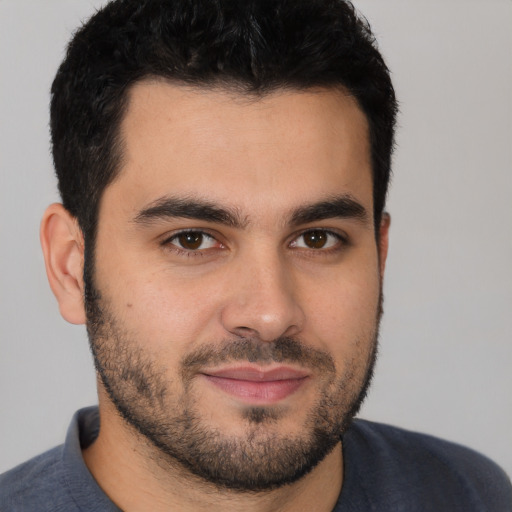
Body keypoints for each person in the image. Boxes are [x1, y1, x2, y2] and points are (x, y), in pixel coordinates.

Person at [0, 0, 510, 510]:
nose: (270, 314)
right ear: (69, 268)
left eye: (317, 238)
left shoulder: (471, 495)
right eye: (192, 239)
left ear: (379, 256)